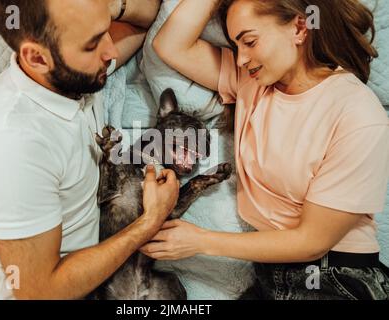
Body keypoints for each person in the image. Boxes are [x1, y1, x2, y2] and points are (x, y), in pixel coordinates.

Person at [143, 0, 389, 299]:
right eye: (236, 44)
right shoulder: (252, 82)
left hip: (335, 277)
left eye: (249, 41)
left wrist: (200, 241)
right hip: (270, 276)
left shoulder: (357, 112)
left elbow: (312, 241)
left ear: (300, 27)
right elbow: (169, 44)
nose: (241, 58)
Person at [0, 0, 180, 300]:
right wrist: (150, 221)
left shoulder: (71, 71)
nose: (111, 52)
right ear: (37, 59)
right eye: (92, 44)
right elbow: (41, 293)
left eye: (105, 30)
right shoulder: (8, 149)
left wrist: (105, 7)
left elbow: (143, 20)